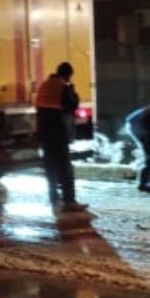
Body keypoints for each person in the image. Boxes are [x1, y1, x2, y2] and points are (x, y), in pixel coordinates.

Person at [35, 62, 87, 212]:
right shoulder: (63, 86)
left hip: (44, 132)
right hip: (58, 131)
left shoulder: (45, 85)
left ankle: (53, 198)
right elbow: (72, 105)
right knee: (65, 168)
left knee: (50, 167)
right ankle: (69, 201)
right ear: (68, 74)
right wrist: (71, 87)